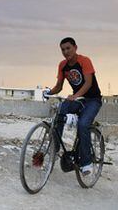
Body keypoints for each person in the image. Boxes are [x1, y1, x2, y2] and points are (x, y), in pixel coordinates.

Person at [43, 37, 102, 175]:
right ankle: (55, 149)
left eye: (68, 48)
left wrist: (75, 96)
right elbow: (59, 86)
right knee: (60, 112)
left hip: (92, 100)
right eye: (63, 49)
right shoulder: (62, 65)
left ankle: (86, 163)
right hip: (78, 99)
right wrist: (49, 92)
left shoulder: (84, 61)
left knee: (82, 125)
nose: (65, 51)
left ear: (75, 47)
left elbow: (88, 83)